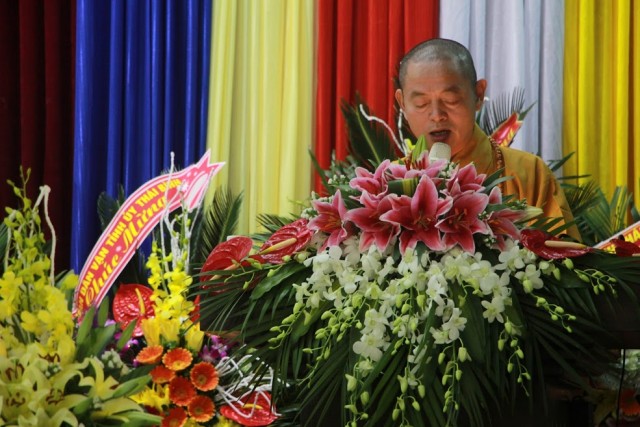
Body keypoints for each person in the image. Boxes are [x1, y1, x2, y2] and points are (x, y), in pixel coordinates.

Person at [394, 38, 580, 240]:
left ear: (478, 94)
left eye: (450, 100)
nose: (437, 115)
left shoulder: (528, 173)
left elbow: (564, 253)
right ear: (402, 103)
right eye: (421, 103)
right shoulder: (389, 185)